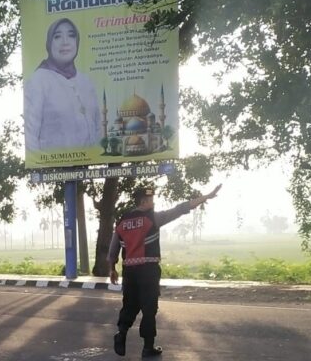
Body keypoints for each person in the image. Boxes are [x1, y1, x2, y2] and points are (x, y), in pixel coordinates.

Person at [108, 184, 222, 358]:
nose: (153, 202)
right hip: (148, 270)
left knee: (130, 304)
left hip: (129, 271)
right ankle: (148, 347)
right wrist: (205, 197)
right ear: (144, 201)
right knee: (149, 308)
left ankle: (121, 333)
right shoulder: (153, 217)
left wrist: (112, 269)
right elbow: (180, 209)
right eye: (151, 199)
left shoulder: (122, 221)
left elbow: (113, 248)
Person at [24, 18, 101, 152]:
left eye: (71, 35)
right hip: (54, 170)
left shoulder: (86, 82)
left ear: (77, 42)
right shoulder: (39, 80)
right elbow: (30, 134)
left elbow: (98, 128)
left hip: (87, 169)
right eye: (57, 36)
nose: (65, 42)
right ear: (49, 43)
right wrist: (42, 168)